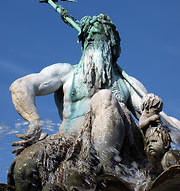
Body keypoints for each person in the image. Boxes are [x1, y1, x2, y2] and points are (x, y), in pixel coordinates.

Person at [10, 14, 146, 164]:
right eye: (86, 36)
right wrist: (34, 121)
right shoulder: (66, 72)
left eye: (96, 35)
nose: (90, 39)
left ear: (111, 44)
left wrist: (153, 106)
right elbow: (20, 86)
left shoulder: (127, 83)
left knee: (105, 96)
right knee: (26, 163)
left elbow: (150, 116)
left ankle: (106, 168)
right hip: (69, 142)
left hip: (115, 150)